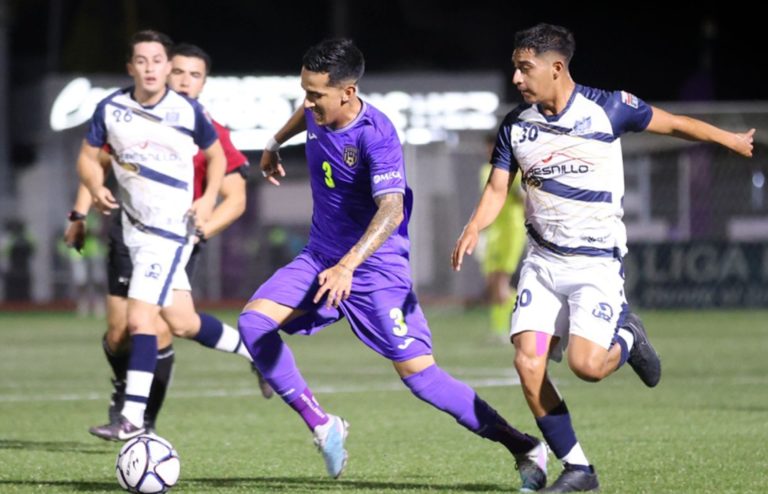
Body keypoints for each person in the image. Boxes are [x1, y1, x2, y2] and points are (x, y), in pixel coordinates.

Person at [452, 23, 755, 492]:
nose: (516, 78)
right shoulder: (516, 125)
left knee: (587, 367)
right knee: (528, 363)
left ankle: (629, 336)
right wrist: (475, 225)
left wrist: (729, 140)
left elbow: (675, 124)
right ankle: (579, 469)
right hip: (543, 264)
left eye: (525, 68)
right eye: (515, 67)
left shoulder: (609, 108)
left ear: (557, 68)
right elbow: (497, 189)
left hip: (595, 264)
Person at [239, 38, 548, 490]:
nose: (307, 103)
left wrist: (348, 266)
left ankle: (524, 446)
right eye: (304, 92)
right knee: (253, 324)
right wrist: (273, 143)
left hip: (375, 269)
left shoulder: (376, 134)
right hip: (320, 256)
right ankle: (323, 424)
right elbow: (304, 115)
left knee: (422, 379)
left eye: (316, 94)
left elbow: (392, 209)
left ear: (348, 92)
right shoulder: (317, 109)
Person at [66, 41, 274, 439]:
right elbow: (95, 162)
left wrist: (202, 228)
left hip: (173, 236)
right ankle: (257, 353)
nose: (184, 81)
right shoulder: (132, 114)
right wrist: (79, 213)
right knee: (161, 326)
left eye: (195, 75)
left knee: (146, 323)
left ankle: (135, 417)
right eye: (178, 71)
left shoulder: (205, 127)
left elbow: (236, 198)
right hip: (129, 231)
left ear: (204, 83)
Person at [476, 134, 526, 340]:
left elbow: (523, 198)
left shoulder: (512, 170)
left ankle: (527, 316)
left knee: (500, 282)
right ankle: (499, 330)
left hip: (510, 231)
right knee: (492, 283)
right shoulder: (485, 170)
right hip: (493, 233)